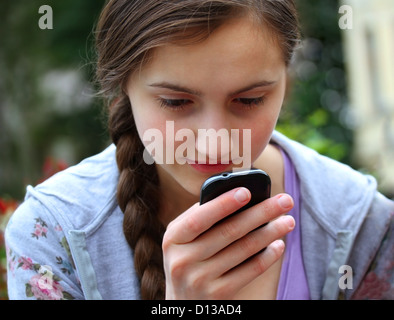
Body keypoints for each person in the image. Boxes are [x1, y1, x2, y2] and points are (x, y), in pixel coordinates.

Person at [5, 0, 394, 300]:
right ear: (123, 85)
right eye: (176, 102)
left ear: (284, 82)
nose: (213, 141)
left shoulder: (361, 228)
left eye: (250, 99)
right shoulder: (54, 236)